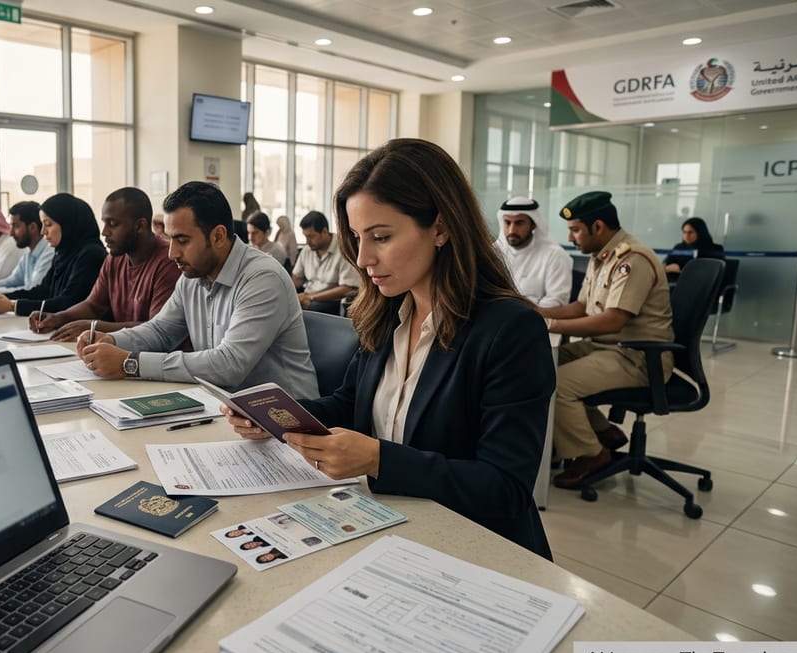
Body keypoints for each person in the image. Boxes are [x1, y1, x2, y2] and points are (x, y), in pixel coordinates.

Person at [222, 139, 554, 559]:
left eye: (381, 237)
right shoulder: (389, 311)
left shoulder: (510, 331)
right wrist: (277, 417)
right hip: (389, 526)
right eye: (358, 238)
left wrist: (379, 460)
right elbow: (352, 403)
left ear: (440, 227)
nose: (362, 259)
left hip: (475, 546)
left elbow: (505, 489)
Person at [76, 181, 319, 400]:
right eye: (170, 239)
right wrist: (113, 340)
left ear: (219, 236)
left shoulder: (262, 278)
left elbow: (229, 365)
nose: (172, 253)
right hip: (228, 408)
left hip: (286, 422)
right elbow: (161, 331)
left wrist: (130, 363)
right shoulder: (192, 275)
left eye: (182, 240)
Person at [539, 191, 674, 489]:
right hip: (607, 347)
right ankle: (602, 430)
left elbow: (613, 320)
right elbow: (581, 307)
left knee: (556, 383)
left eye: (575, 230)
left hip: (637, 356)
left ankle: (592, 453)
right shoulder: (601, 256)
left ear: (597, 227)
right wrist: (537, 312)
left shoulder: (631, 259)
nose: (571, 237)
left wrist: (548, 324)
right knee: (537, 367)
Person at [31, 187, 181, 342]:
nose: (104, 232)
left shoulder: (168, 261)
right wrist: (58, 318)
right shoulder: (114, 259)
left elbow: (156, 329)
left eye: (112, 224)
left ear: (140, 226)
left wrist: (94, 327)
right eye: (104, 223)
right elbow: (93, 305)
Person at [0, 193, 106, 316]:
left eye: (48, 224)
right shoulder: (63, 253)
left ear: (67, 223)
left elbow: (68, 302)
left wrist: (12, 306)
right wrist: (2, 297)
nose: (43, 231)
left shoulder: (91, 255)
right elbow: (42, 291)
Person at [493, 196, 572, 308]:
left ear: (533, 224)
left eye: (519, 223)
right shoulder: (494, 253)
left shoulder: (554, 255)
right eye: (507, 223)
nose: (512, 230)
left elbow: (557, 300)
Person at [0, 201, 54, 296]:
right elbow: (13, 281)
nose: (11, 233)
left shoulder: (49, 252)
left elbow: (33, 291)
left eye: (16, 226)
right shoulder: (29, 253)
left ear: (32, 227)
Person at [291, 210, 361, 315]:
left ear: (324, 231)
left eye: (311, 236)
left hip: (332, 301)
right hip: (308, 296)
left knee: (306, 309)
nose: (307, 241)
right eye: (305, 236)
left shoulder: (344, 249)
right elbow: (297, 279)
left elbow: (347, 288)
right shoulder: (307, 250)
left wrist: (311, 297)